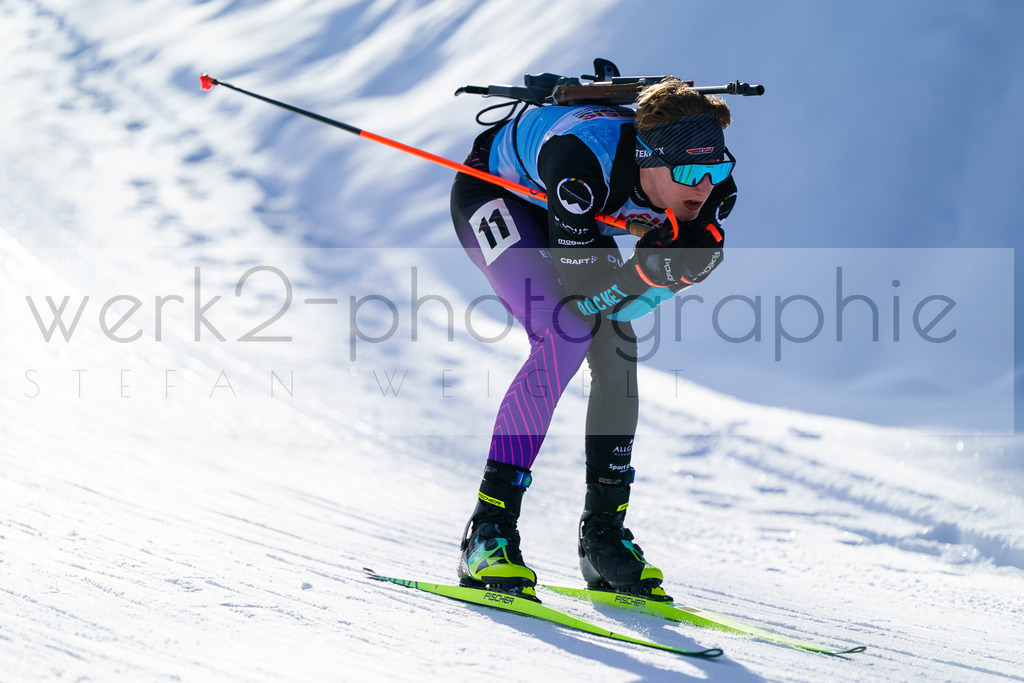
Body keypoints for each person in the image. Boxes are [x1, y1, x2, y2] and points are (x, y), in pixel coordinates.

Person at [449, 77, 737, 601]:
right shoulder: (581, 165)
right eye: (688, 172)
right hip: (498, 193)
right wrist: (645, 273)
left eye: (716, 170)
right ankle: (488, 529)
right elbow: (585, 300)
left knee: (618, 347)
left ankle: (602, 535)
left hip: (581, 216)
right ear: (648, 160)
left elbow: (642, 291)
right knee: (565, 333)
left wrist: (673, 275)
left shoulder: (713, 185)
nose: (703, 186)